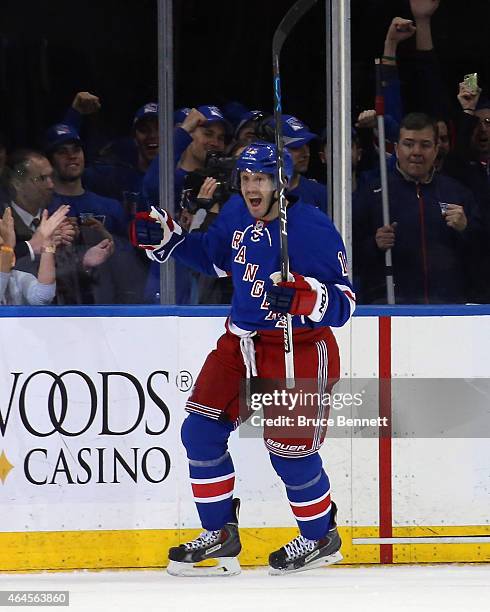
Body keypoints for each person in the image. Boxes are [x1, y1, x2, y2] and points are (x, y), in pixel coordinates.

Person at [132, 142, 355, 575]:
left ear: (283, 183)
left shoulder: (311, 228)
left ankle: (320, 537)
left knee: (289, 452)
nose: (252, 188)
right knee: (199, 429)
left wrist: (305, 296)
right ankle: (220, 534)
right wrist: (171, 240)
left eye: (261, 179)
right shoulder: (235, 213)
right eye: (247, 178)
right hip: (241, 342)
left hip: (298, 347)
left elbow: (345, 304)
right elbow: (217, 260)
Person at [353, 112, 480, 304]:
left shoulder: (457, 193)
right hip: (389, 310)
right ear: (396, 148)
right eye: (409, 144)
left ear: (437, 149)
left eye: (425, 145)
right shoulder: (372, 194)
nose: (416, 152)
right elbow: (348, 256)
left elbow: (481, 256)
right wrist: (375, 245)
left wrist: (466, 229)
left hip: (449, 311)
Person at [7, 149, 113, 304]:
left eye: (51, 176)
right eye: (42, 178)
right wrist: (32, 247)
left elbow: (66, 286)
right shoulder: (4, 222)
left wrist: (82, 262)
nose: (51, 185)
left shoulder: (58, 220)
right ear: (17, 183)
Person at [0, 205, 69, 305]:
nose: (7, 252)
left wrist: (47, 243)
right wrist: (8, 245)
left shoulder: (17, 277)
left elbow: (43, 297)